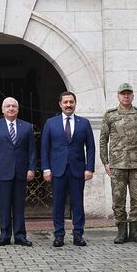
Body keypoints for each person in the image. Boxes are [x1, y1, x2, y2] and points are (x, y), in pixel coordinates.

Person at [41, 91, 95, 247]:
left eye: (71, 102)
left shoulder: (84, 123)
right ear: (60, 104)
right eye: (65, 102)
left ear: (75, 103)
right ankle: (59, 235)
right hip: (57, 170)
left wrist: (89, 168)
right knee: (58, 203)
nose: (68, 105)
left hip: (78, 170)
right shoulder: (51, 123)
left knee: (78, 203)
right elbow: (45, 148)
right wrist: (46, 168)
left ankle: (78, 234)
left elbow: (90, 147)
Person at [100, 83, 137, 244]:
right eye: (123, 94)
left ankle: (135, 231)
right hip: (117, 165)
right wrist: (105, 162)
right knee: (118, 200)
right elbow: (103, 139)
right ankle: (121, 231)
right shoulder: (110, 115)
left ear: (133, 96)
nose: (126, 96)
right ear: (118, 96)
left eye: (129, 94)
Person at [0, 97, 37, 246]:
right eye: (8, 106)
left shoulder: (27, 127)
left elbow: (32, 151)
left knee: (19, 205)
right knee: (4, 205)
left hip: (21, 172)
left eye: (14, 106)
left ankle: (20, 235)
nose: (11, 108)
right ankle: (5, 235)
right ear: (2, 109)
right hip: (2, 172)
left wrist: (31, 168)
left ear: (18, 109)